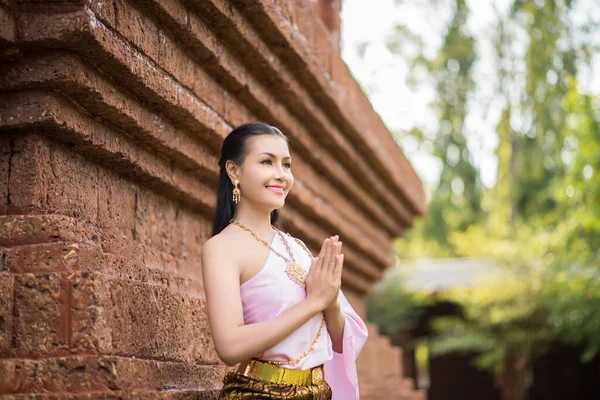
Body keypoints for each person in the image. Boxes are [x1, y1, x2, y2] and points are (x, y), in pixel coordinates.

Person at [201, 122, 368, 399]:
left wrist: (330, 301)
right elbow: (229, 346)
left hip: (318, 391)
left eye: (286, 165)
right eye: (267, 162)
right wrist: (313, 302)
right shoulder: (222, 248)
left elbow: (341, 341)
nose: (281, 175)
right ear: (234, 171)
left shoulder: (297, 248)